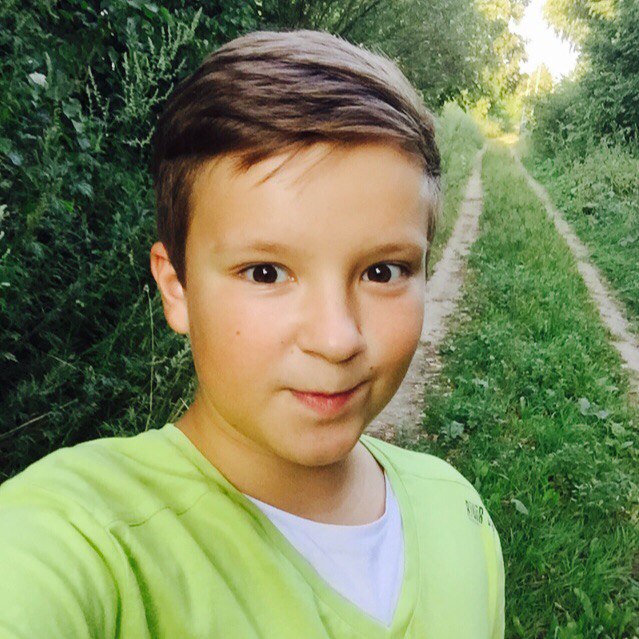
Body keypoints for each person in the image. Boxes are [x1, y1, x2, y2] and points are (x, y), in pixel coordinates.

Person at [0, 29, 505, 638]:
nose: (337, 339)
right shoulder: (83, 537)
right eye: (266, 273)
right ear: (176, 288)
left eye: (382, 272)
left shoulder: (458, 512)